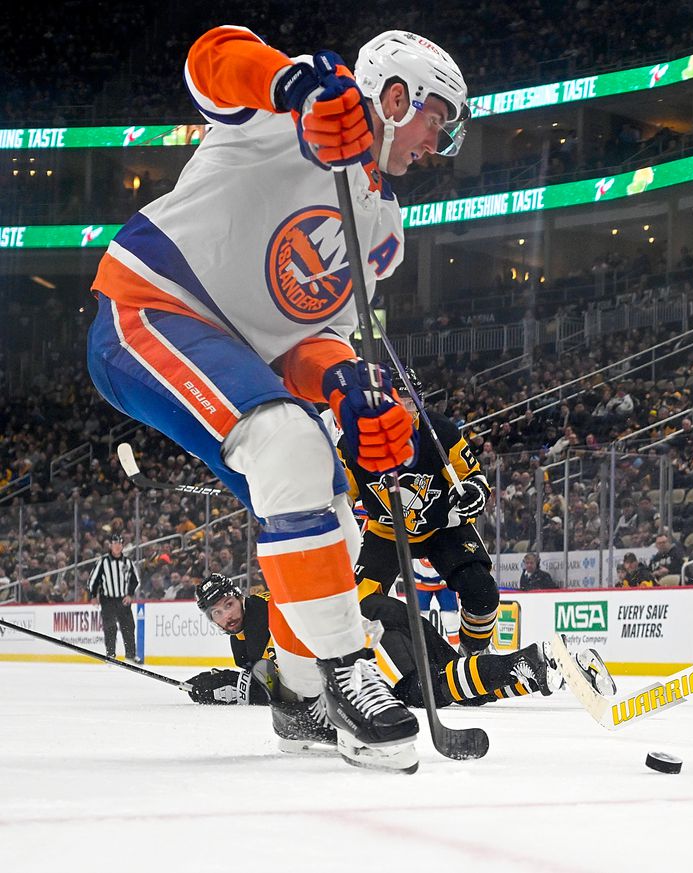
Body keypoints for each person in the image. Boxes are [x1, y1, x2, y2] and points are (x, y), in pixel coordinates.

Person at [84, 25, 470, 772]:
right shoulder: (294, 105)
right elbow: (209, 57)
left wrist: (345, 383)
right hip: (149, 306)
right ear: (398, 97)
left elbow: (310, 335)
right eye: (437, 119)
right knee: (290, 441)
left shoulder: (383, 231)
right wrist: (292, 85)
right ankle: (347, 671)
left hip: (238, 361)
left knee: (337, 520)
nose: (439, 142)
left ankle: (298, 700)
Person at [186, 574, 614, 731]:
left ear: (238, 596)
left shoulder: (262, 610)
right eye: (216, 612)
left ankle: (537, 662)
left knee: (418, 689)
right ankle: (553, 668)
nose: (226, 614)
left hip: (373, 623)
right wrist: (236, 681)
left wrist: (233, 686)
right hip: (388, 619)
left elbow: (281, 681)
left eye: (227, 603)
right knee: (459, 686)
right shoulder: (242, 637)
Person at [341, 370, 499, 656]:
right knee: (356, 604)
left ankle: (474, 653)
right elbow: (339, 495)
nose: (404, 411)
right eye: (395, 402)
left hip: (442, 527)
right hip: (386, 532)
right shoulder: (354, 442)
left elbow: (474, 476)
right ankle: (360, 667)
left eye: (410, 403)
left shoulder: (441, 432)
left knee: (482, 591)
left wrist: (474, 491)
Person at [86, 534, 140, 663]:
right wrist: (93, 595)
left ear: (122, 546)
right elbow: (93, 580)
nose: (117, 546)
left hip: (123, 599)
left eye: (120, 544)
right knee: (110, 627)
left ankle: (131, 655)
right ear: (110, 545)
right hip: (108, 600)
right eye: (115, 543)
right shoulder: (103, 561)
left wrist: (130, 595)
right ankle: (110, 655)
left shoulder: (127, 562)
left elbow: (135, 580)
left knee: (128, 627)